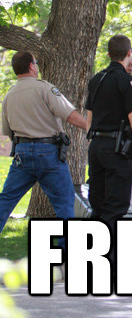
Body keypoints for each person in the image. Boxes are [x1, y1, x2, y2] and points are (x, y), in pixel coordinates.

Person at [0, 50, 87, 236]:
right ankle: (68, 255)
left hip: (22, 153)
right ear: (31, 66)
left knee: (6, 201)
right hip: (49, 152)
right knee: (64, 203)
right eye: (36, 63)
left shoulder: (9, 96)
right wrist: (91, 127)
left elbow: (7, 131)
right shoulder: (45, 88)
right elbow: (70, 115)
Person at [85, 35, 132, 232]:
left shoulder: (96, 80)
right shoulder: (127, 82)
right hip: (117, 151)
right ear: (129, 53)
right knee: (115, 208)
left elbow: (89, 120)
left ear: (109, 55)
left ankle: (87, 254)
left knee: (97, 205)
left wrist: (96, 146)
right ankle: (108, 257)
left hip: (96, 147)